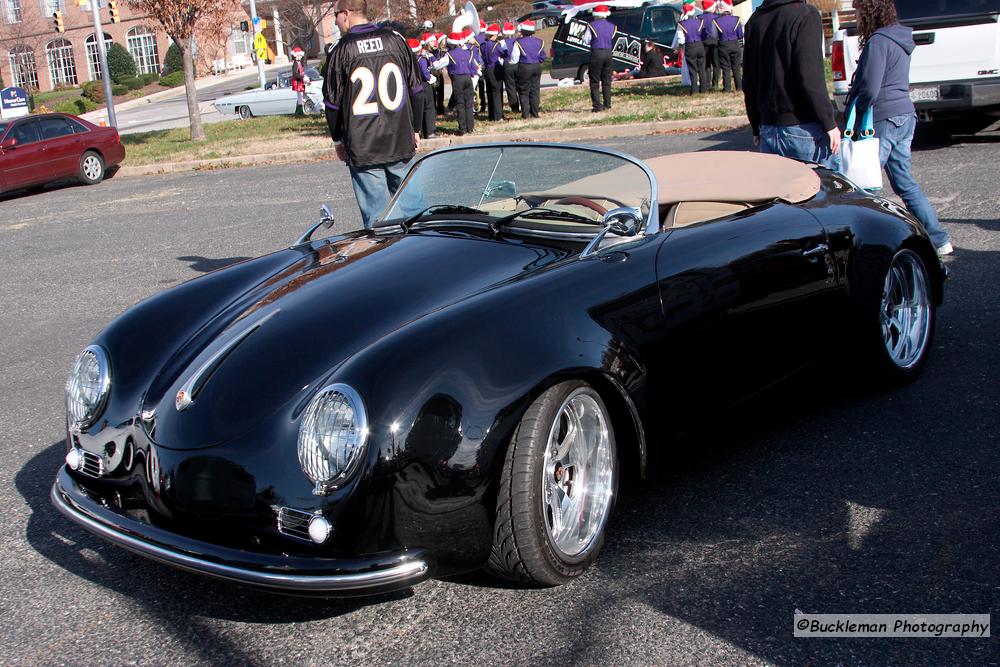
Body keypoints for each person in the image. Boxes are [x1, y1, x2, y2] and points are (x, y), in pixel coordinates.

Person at [846, 0, 952, 256]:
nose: (857, 16)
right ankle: (939, 240)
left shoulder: (878, 42)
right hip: (905, 113)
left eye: (859, 11)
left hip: (882, 118)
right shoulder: (899, 39)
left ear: (870, 11)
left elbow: (870, 88)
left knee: (863, 185)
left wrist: (857, 114)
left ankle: (868, 246)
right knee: (904, 182)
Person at [323, 0, 424, 228]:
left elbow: (332, 105)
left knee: (377, 222)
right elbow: (417, 90)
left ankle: (386, 260)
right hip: (399, 137)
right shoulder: (396, 40)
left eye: (336, 16)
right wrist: (415, 128)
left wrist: (338, 139)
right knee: (416, 213)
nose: (336, 22)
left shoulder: (340, 50)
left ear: (346, 14)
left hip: (363, 146)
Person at [743, 0, 840, 169]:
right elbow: (810, 77)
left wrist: (756, 125)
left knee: (775, 192)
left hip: (769, 126)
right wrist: (829, 122)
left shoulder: (755, 21)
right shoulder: (805, 15)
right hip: (803, 127)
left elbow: (749, 82)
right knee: (821, 191)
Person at [445, 30, 481, 135]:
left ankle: (463, 128)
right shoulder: (468, 52)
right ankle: (471, 127)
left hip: (457, 79)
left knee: (460, 104)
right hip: (468, 78)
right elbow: (473, 66)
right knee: (469, 104)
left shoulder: (449, 54)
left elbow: (438, 65)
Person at [511, 20, 547, 119]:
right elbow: (543, 56)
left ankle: (526, 114)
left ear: (523, 31)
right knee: (535, 90)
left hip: (524, 67)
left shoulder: (518, 42)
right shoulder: (539, 42)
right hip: (536, 66)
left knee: (524, 91)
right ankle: (535, 113)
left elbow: (514, 59)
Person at [587, 5, 617, 112]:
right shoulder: (612, 26)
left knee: (595, 81)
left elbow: (586, 39)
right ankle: (607, 104)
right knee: (606, 80)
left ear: (596, 14)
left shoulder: (592, 25)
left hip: (597, 53)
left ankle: (597, 106)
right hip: (608, 53)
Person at [674, 3, 707, 95]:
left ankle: (694, 90)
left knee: (692, 69)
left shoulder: (682, 24)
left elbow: (680, 39)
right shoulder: (700, 21)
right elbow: (704, 35)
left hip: (690, 46)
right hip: (700, 45)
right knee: (701, 68)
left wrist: (680, 46)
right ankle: (704, 89)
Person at [715, 0, 744, 92]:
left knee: (726, 68)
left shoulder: (716, 21)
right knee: (736, 68)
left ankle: (727, 88)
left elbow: (714, 35)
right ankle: (739, 87)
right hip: (735, 44)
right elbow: (740, 35)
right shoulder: (736, 19)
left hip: (723, 45)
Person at [481, 24, 506, 121]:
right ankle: (498, 116)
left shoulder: (483, 45)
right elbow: (505, 54)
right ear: (494, 35)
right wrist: (503, 45)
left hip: (487, 70)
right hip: (495, 69)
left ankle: (491, 115)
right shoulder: (496, 45)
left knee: (490, 93)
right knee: (497, 93)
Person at [700, 1, 721, 91]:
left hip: (703, 43)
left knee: (706, 65)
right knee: (716, 64)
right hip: (715, 42)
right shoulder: (717, 17)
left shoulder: (699, 17)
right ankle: (715, 83)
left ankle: (707, 83)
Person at [501, 22, 520, 113]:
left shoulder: (501, 42)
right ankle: (523, 104)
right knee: (520, 85)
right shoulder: (517, 41)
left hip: (507, 65)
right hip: (517, 65)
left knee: (510, 87)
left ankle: (514, 107)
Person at [290, 46, 309, 116]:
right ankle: (299, 111)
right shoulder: (295, 64)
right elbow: (295, 74)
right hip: (298, 82)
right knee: (300, 97)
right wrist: (302, 77)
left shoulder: (299, 63)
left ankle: (302, 109)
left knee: (303, 95)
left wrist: (303, 75)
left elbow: (301, 72)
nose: (300, 57)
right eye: (299, 55)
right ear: (296, 56)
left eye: (301, 55)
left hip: (300, 81)